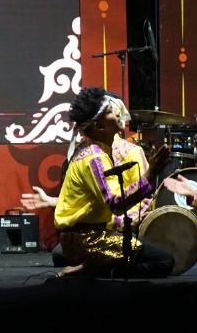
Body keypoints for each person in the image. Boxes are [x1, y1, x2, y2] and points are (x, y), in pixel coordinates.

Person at [53, 86, 176, 278]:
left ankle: (91, 266)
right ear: (99, 126)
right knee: (163, 261)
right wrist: (151, 174)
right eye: (111, 111)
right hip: (87, 239)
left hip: (87, 235)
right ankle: (92, 268)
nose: (118, 113)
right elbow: (116, 203)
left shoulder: (98, 151)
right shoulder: (94, 157)